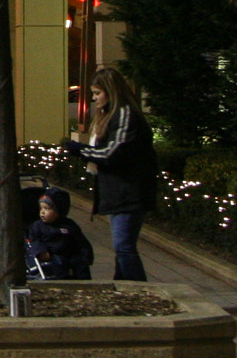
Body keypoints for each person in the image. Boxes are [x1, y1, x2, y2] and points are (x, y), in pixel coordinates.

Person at [64, 66, 159, 281]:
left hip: (129, 190)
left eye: (98, 93)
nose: (94, 98)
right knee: (122, 248)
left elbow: (112, 153)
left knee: (124, 247)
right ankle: (125, 287)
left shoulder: (125, 114)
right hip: (118, 191)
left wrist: (81, 151)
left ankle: (140, 293)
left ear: (111, 91)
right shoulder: (112, 115)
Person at [25, 185, 94, 280]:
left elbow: (81, 241)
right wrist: (41, 251)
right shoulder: (38, 226)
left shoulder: (69, 225)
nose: (42, 212)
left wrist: (86, 256)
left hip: (71, 253)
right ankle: (63, 281)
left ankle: (84, 282)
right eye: (41, 209)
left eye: (47, 209)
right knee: (59, 263)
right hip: (53, 254)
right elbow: (35, 240)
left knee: (80, 264)